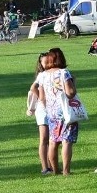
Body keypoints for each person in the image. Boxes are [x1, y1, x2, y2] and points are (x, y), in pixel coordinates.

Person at [40, 48, 79, 176]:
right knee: (66, 140)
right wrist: (75, 84)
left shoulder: (44, 75)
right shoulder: (63, 73)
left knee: (53, 141)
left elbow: (42, 95)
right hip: (65, 111)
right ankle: (66, 171)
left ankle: (55, 170)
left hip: (51, 112)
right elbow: (70, 93)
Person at [26, 53, 51, 175]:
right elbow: (33, 88)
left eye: (49, 61)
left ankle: (52, 165)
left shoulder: (55, 73)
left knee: (53, 139)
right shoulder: (41, 75)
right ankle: (45, 167)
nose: (47, 64)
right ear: (40, 63)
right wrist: (42, 99)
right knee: (44, 138)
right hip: (43, 110)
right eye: (44, 62)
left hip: (54, 109)